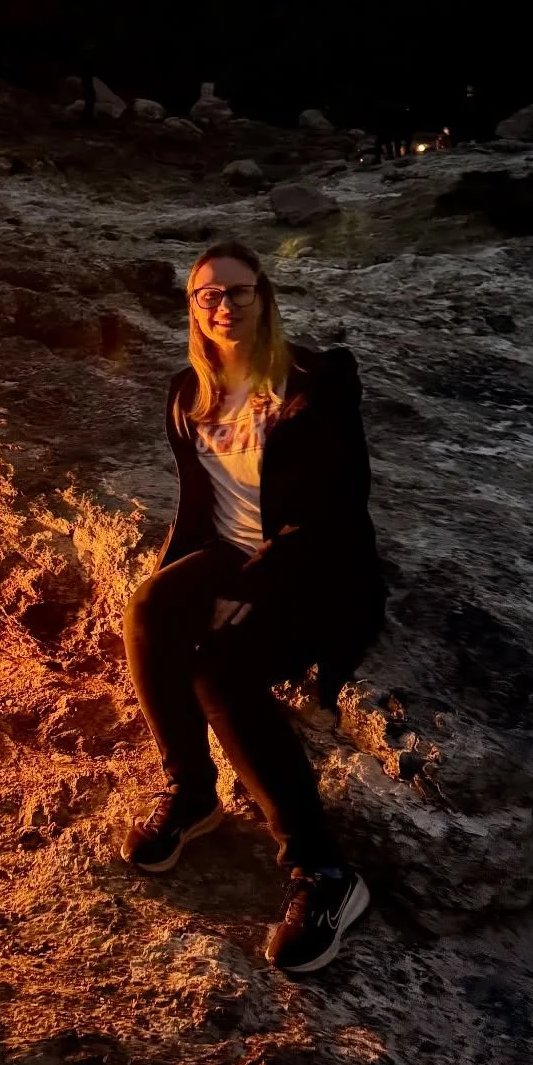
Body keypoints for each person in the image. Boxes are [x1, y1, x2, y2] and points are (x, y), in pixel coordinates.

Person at [121, 240, 386, 974]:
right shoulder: (189, 392)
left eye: (238, 291)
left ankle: (323, 871)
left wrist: (251, 588)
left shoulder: (318, 382)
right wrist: (190, 582)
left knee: (220, 671)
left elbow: (338, 510)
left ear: (264, 298)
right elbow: (200, 505)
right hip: (230, 553)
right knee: (147, 611)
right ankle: (192, 793)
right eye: (207, 295)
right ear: (193, 309)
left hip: (318, 571)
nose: (223, 306)